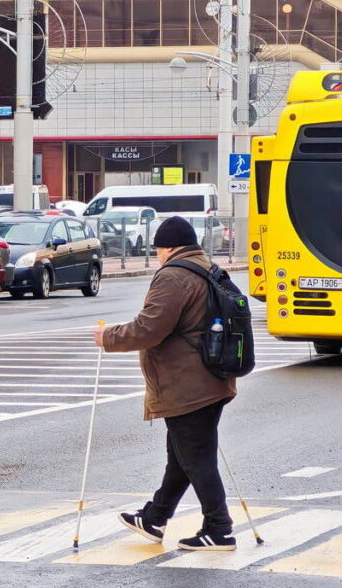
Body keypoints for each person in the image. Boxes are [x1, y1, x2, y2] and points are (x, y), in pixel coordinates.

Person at [95, 216, 238, 552]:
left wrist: (108, 337)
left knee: (196, 458)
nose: (157, 254)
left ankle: (220, 528)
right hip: (209, 377)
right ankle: (155, 517)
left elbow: (150, 328)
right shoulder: (208, 269)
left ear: (168, 247)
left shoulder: (174, 276)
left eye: (158, 248)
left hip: (188, 384)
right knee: (183, 455)